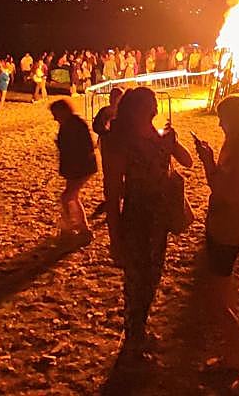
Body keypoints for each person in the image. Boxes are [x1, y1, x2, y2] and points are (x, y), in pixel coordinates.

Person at [101, 87, 193, 360]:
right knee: (136, 281)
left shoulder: (158, 136)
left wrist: (172, 143)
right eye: (150, 104)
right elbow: (113, 191)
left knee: (152, 277)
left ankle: (139, 331)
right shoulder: (119, 142)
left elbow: (186, 161)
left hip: (159, 218)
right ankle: (132, 338)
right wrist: (114, 238)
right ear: (137, 109)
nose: (155, 109)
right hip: (137, 218)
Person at [192, 95, 239, 393]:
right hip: (224, 226)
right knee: (224, 292)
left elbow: (227, 190)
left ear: (235, 119)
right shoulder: (238, 145)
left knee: (217, 302)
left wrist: (208, 163)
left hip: (229, 228)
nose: (220, 123)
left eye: (223, 118)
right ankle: (231, 357)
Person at [51, 98, 97, 239]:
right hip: (77, 167)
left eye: (56, 114)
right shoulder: (70, 124)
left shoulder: (75, 124)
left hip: (81, 167)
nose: (54, 118)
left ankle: (73, 226)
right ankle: (79, 227)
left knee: (67, 197)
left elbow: (86, 146)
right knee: (72, 196)